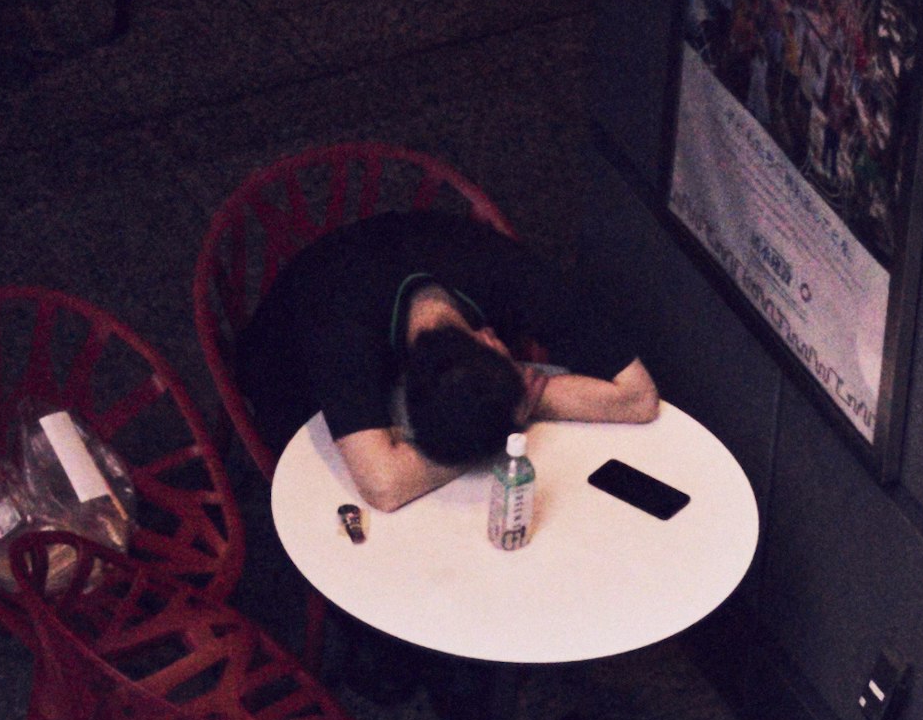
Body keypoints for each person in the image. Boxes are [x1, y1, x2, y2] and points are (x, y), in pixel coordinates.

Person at [233, 209, 659, 515]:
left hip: (402, 257)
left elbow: (639, 398)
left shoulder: (509, 273)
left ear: (491, 340)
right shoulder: (343, 333)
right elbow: (384, 486)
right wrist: (510, 417)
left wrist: (508, 408)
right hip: (285, 374)